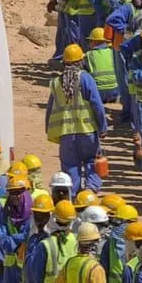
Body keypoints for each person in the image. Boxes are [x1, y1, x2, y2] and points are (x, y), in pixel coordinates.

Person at [46, 44, 108, 194]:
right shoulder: (85, 78)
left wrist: (49, 129)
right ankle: (90, 192)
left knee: (70, 167)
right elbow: (97, 104)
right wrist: (103, 127)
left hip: (66, 134)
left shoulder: (56, 83)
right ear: (80, 61)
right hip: (87, 132)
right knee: (91, 162)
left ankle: (72, 197)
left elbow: (50, 110)